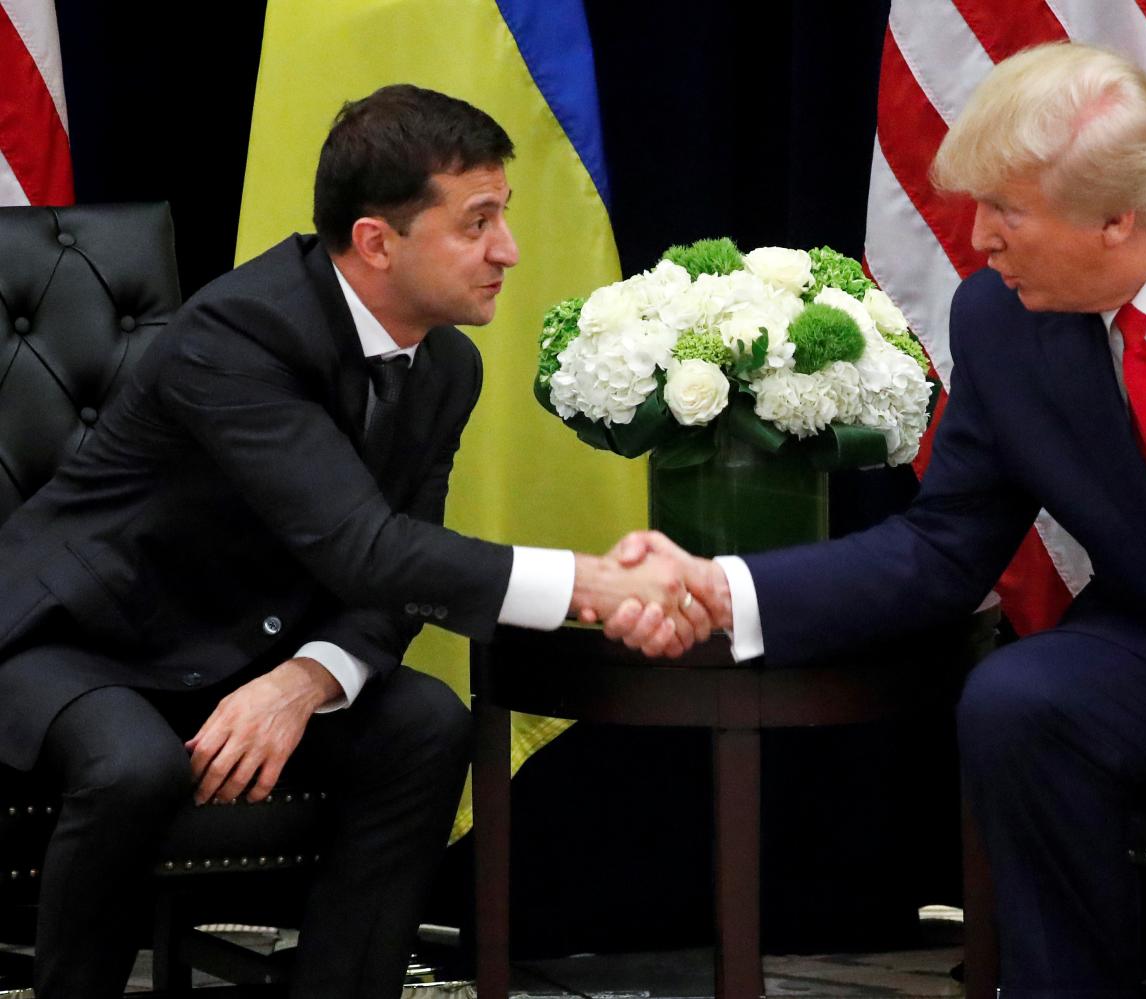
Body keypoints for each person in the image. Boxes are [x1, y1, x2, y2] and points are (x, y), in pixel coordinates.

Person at [607, 43, 1146, 997]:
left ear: (1120, 217)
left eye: (1007, 211)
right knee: (1022, 701)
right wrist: (722, 584)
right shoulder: (1001, 316)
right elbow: (941, 546)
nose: (979, 239)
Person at [0, 84, 704, 999]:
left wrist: (310, 677)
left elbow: (397, 563)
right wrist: (586, 582)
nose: (508, 251)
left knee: (423, 722)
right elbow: (367, 548)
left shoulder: (447, 363)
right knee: (131, 766)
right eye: (477, 221)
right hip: (83, 631)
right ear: (377, 240)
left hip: (243, 639)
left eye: (506, 216)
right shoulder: (237, 332)